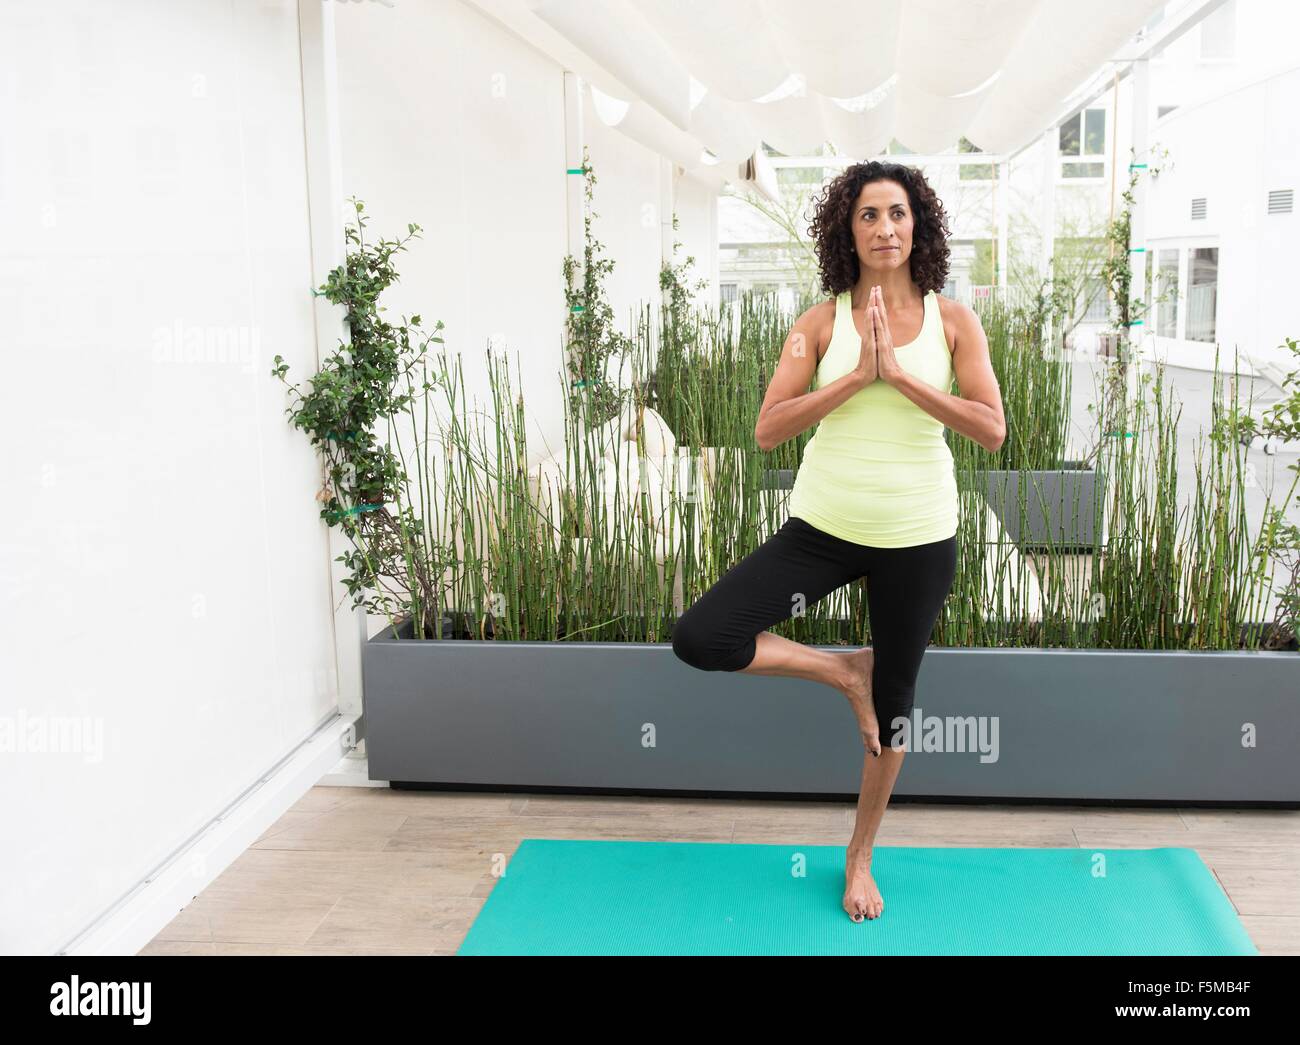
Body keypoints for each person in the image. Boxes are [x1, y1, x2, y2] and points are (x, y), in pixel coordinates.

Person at [671, 160, 1006, 924]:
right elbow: (767, 428)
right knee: (703, 634)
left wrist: (901, 376)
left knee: (894, 711)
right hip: (823, 530)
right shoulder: (818, 323)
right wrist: (856, 377)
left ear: (916, 224)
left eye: (897, 213)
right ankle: (840, 670)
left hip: (918, 536)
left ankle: (858, 857)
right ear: (846, 231)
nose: (884, 227)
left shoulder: (955, 321)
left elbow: (991, 428)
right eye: (868, 215)